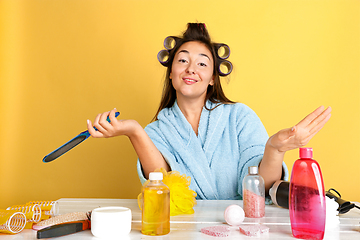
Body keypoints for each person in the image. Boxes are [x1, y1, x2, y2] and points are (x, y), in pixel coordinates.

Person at [87, 23, 331, 200]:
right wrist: (135, 131)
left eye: (202, 63)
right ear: (171, 73)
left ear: (212, 78)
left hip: (240, 228)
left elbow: (262, 187)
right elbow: (163, 185)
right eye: (182, 61)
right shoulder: (157, 131)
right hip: (182, 230)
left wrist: (275, 149)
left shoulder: (240, 117)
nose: (191, 69)